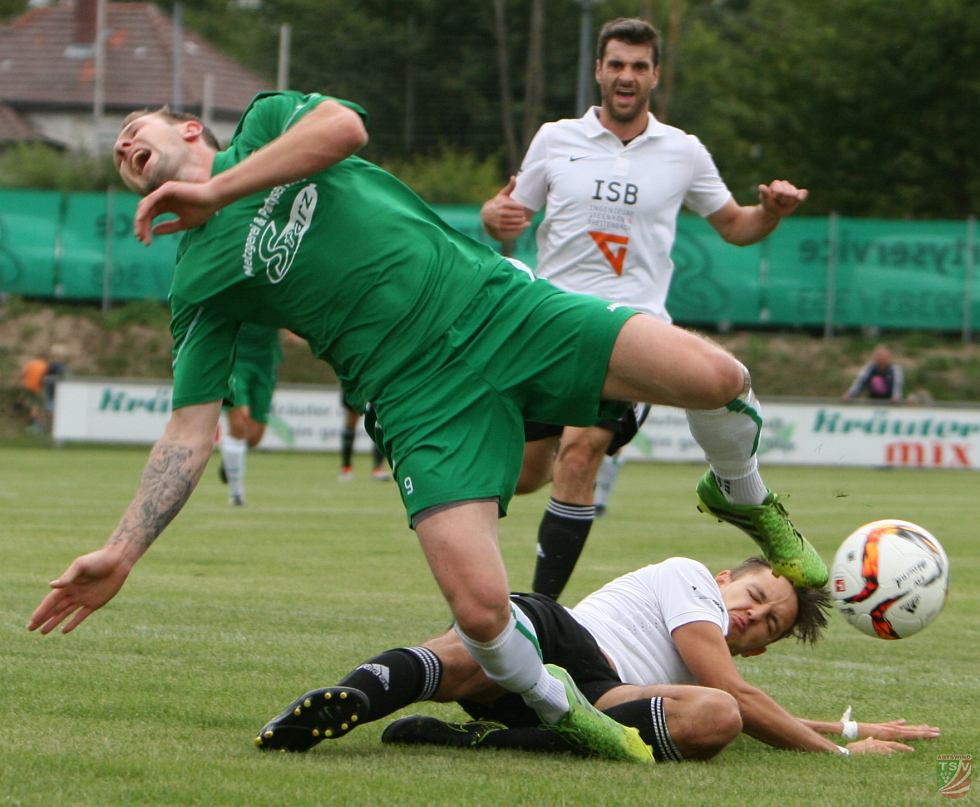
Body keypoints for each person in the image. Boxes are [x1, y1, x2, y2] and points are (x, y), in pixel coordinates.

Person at [28, 88, 825, 764]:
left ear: (193, 131)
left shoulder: (272, 123)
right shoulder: (199, 281)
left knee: (720, 379)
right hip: (417, 398)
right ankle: (561, 709)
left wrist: (217, 190)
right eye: (118, 150)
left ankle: (745, 499)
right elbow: (189, 428)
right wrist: (122, 549)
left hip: (493, 307)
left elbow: (345, 129)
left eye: (140, 128)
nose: (127, 142)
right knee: (481, 611)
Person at [482, 17, 810, 599]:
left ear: (655, 74)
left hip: (632, 335)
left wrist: (772, 212)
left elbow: (735, 225)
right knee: (528, 475)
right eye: (617, 64)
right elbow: (508, 212)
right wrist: (494, 217)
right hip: (548, 324)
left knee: (582, 452)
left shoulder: (682, 151)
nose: (626, 76)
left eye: (638, 66)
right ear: (599, 71)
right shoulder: (556, 139)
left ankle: (537, 613)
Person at [256, 556, 935, 759]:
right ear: (727, 578)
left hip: (601, 698)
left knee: (718, 716)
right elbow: (752, 699)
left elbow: (749, 708)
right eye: (757, 595)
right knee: (467, 650)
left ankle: (488, 739)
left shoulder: (714, 659)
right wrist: (843, 755)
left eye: (770, 624)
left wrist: (854, 728)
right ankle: (350, 697)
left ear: (759, 645)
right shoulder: (691, 578)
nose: (755, 616)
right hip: (562, 637)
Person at [217, 323, 283, 506]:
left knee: (254, 437)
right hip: (236, 359)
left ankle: (230, 461)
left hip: (265, 363)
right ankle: (236, 493)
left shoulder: (274, 294)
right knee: (240, 425)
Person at [339, 394, 390, 481]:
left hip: (374, 384)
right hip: (356, 385)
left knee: (378, 420)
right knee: (351, 420)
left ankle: (378, 469)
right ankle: (346, 468)